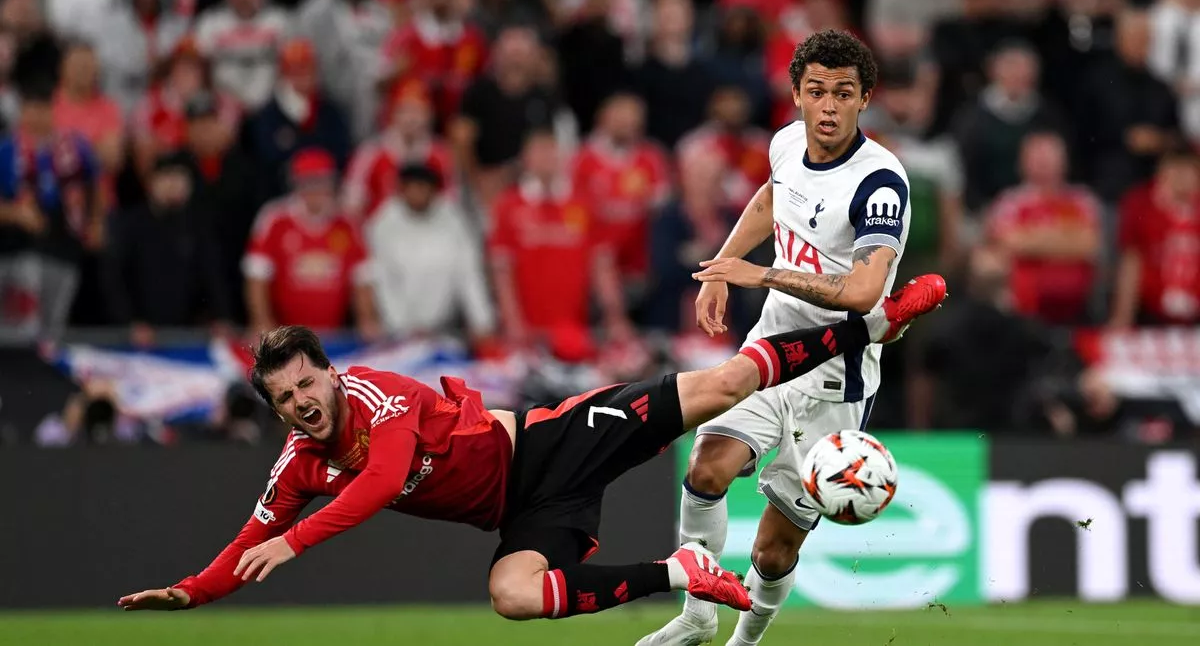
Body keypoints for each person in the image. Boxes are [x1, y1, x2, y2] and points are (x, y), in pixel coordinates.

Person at [115, 273, 946, 619]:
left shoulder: (376, 392)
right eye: (286, 397)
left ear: (331, 374)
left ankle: (873, 321)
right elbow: (246, 541)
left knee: (726, 384)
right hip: (525, 511)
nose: (303, 402)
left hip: (552, 444)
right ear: (276, 405)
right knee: (511, 595)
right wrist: (190, 591)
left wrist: (298, 539)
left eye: (308, 383)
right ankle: (680, 573)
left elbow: (385, 479)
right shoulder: (298, 464)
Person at [640, 28, 913, 646]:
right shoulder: (787, 143)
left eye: (844, 93)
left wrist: (757, 273)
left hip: (834, 378)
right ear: (796, 95)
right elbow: (772, 198)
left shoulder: (879, 184)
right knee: (708, 466)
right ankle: (697, 615)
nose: (829, 106)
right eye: (817, 91)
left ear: (864, 97)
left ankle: (746, 640)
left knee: (774, 547)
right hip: (771, 350)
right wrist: (720, 267)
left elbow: (863, 294)